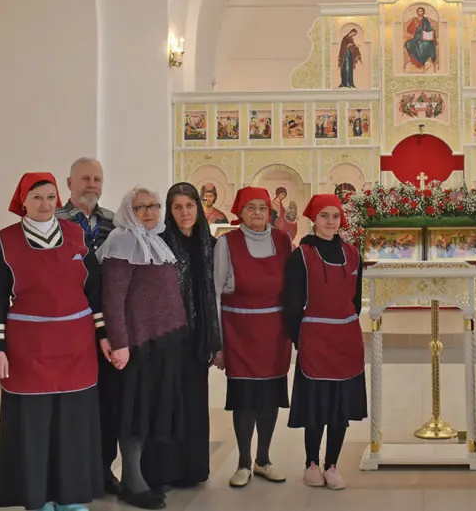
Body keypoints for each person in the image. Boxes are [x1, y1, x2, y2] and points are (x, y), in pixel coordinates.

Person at [0, 172, 106, 511]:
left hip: (76, 346)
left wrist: (104, 335)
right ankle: (38, 498)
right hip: (29, 349)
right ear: (23, 201)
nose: (45, 204)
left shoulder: (76, 235)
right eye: (37, 197)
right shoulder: (5, 240)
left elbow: (94, 290)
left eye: (51, 197)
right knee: (33, 428)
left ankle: (71, 497)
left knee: (72, 426)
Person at [98, 187, 188, 510]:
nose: (149, 212)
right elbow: (112, 298)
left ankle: (142, 477)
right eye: (141, 207)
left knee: (151, 411)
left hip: (162, 342)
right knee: (134, 414)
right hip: (137, 345)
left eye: (154, 206)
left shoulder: (155, 239)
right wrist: (120, 343)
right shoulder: (122, 242)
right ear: (128, 210)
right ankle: (133, 484)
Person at [283, 194, 368, 490]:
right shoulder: (301, 256)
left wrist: (342, 324)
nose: (331, 221)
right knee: (316, 407)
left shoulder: (354, 255)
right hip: (315, 339)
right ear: (313, 219)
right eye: (324, 216)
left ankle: (332, 464)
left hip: (345, 339)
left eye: (335, 216)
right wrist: (300, 339)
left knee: (339, 408)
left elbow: (355, 301)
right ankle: (311, 463)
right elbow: (292, 304)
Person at [143, 182, 224, 491]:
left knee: (192, 402)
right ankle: (161, 471)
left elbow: (217, 294)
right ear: (170, 211)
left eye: (189, 206)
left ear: (198, 208)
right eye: (177, 207)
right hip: (166, 339)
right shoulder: (159, 242)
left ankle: (191, 469)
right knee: (164, 404)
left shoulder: (211, 244)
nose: (185, 212)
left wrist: (216, 341)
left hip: (196, 338)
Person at [213, 186, 293, 488]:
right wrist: (218, 343)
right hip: (240, 333)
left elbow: (294, 288)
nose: (257, 213)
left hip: (274, 334)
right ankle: (244, 462)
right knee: (245, 400)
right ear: (239, 212)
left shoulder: (283, 241)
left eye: (262, 207)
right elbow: (215, 293)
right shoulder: (227, 243)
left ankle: (264, 460)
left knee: (269, 399)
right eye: (250, 208)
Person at [54, 157, 119, 496]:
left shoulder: (114, 222)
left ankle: (105, 470)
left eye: (97, 178)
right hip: (70, 326)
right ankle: (72, 471)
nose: (92, 184)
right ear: (69, 184)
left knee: (108, 402)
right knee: (73, 403)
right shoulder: (54, 221)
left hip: (108, 326)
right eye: (85, 179)